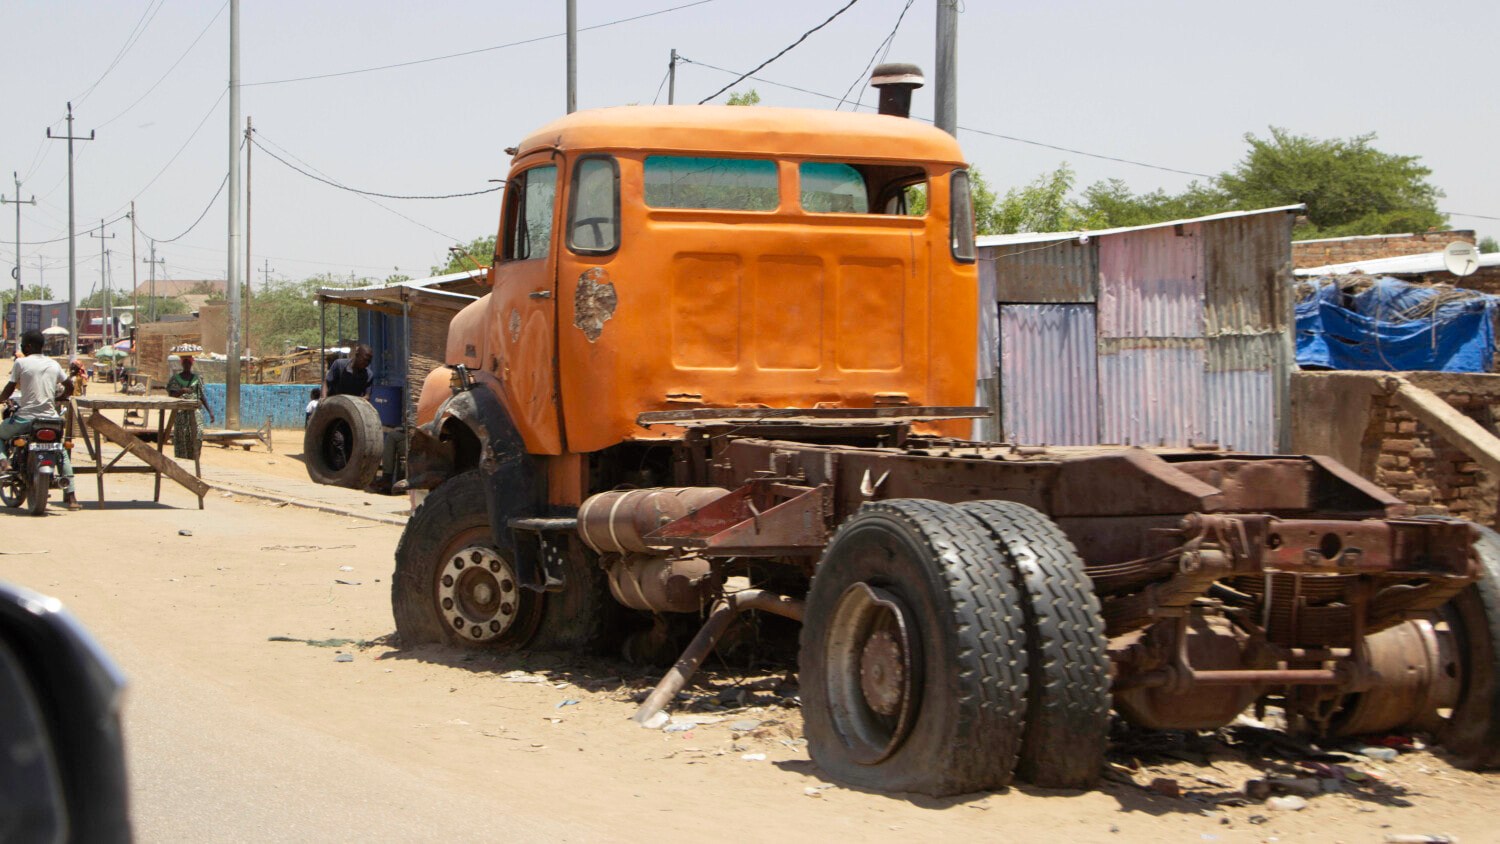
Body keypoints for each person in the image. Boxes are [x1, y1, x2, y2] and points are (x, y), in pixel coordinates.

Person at [0, 330, 80, 510]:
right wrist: (60, 398)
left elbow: (10, 388)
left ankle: (3, 461)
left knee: (0, 434)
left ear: (28, 346)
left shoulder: (21, 362)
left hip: (26, 418)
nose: (21, 348)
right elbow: (69, 386)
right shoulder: (53, 364)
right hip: (51, 419)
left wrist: (0, 398)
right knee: (61, 451)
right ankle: (71, 496)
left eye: (22, 345)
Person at [166, 352, 215, 459]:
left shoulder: (197, 379)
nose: (187, 364)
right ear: (182, 364)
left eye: (189, 362)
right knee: (182, 437)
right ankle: (183, 460)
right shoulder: (175, 379)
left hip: (195, 412)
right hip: (181, 414)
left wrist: (210, 411)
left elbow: (201, 395)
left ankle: (195, 458)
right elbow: (171, 395)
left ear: (191, 364)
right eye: (185, 362)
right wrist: (182, 391)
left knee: (198, 434)